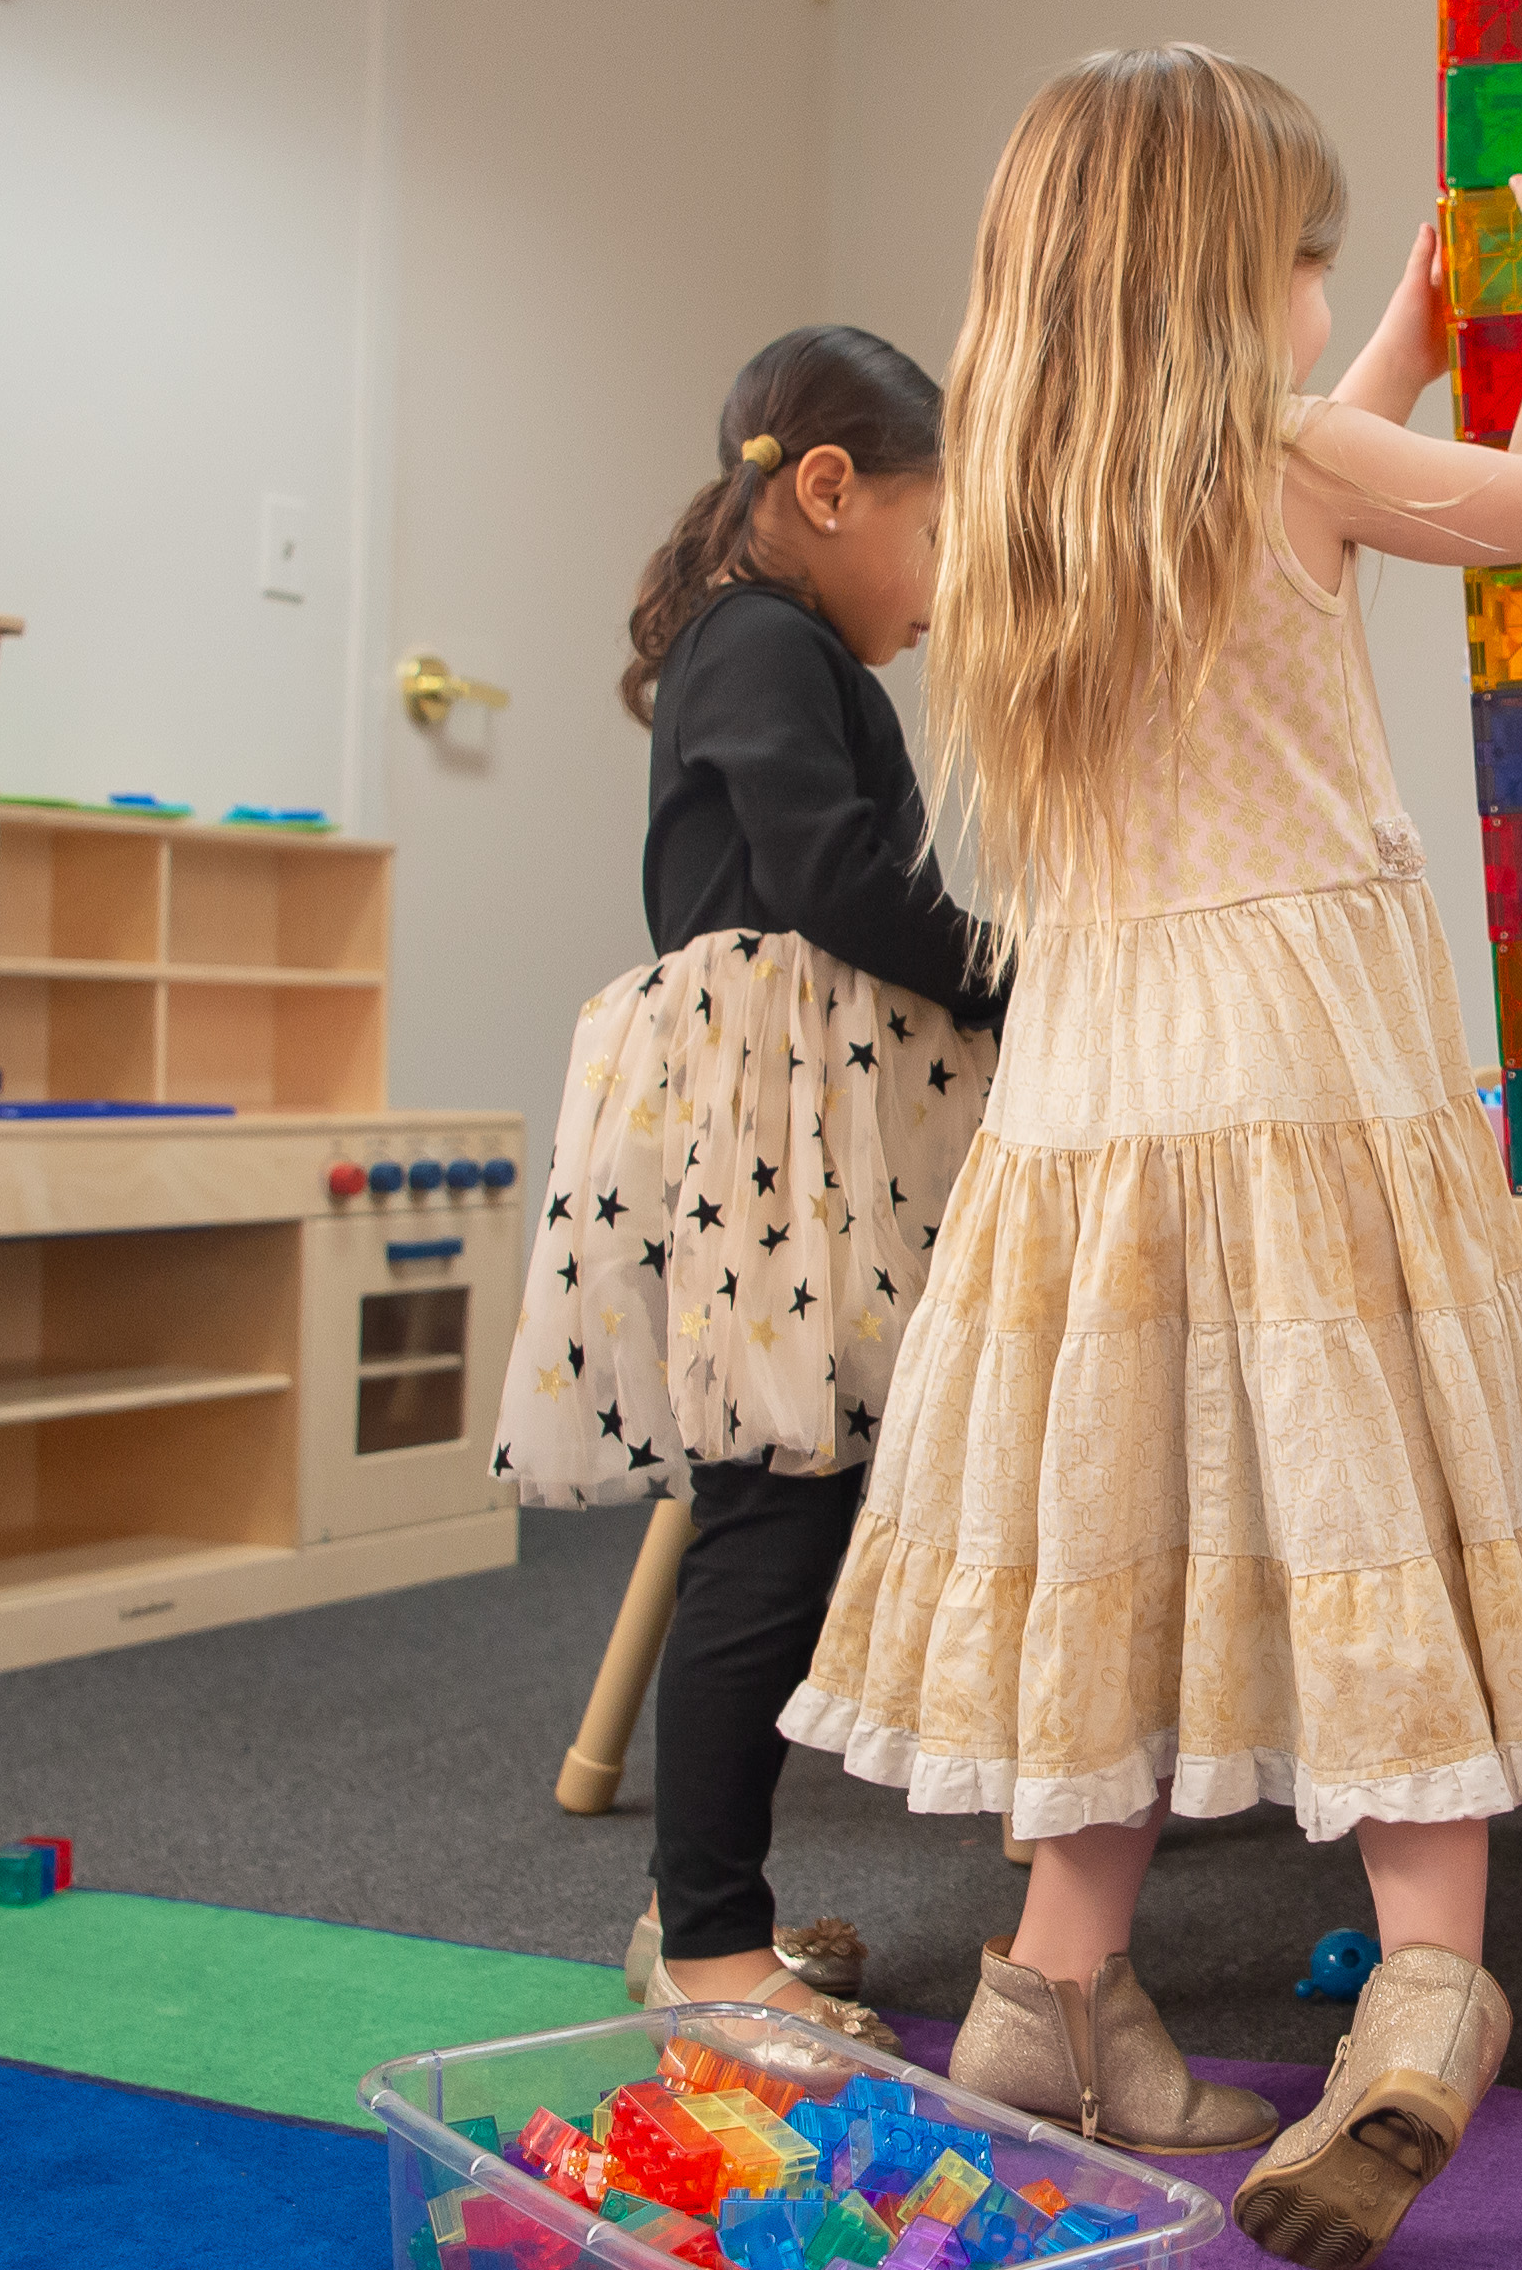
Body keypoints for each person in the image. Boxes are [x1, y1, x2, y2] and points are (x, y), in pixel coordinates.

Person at [779, 47, 1522, 2266]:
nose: (1314, 296)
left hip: (1093, 1096)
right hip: (1301, 1073)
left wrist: (1402, 333)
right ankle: (1424, 2000)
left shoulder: (1021, 508)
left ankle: (1047, 2000)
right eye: (1298, 256)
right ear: (1212, 278)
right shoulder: (1285, 459)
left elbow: (1348, 462)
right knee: (1380, 1489)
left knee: (1129, 1521)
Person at [493, 325, 1008, 2047]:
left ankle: (700, 1909)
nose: (941, 595)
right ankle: (712, 1951)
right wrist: (1015, 969)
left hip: (801, 1129)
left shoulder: (776, 643)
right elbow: (828, 873)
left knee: (797, 1507)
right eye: (934, 543)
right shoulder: (759, 638)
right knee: (770, 1521)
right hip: (767, 1138)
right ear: (826, 488)